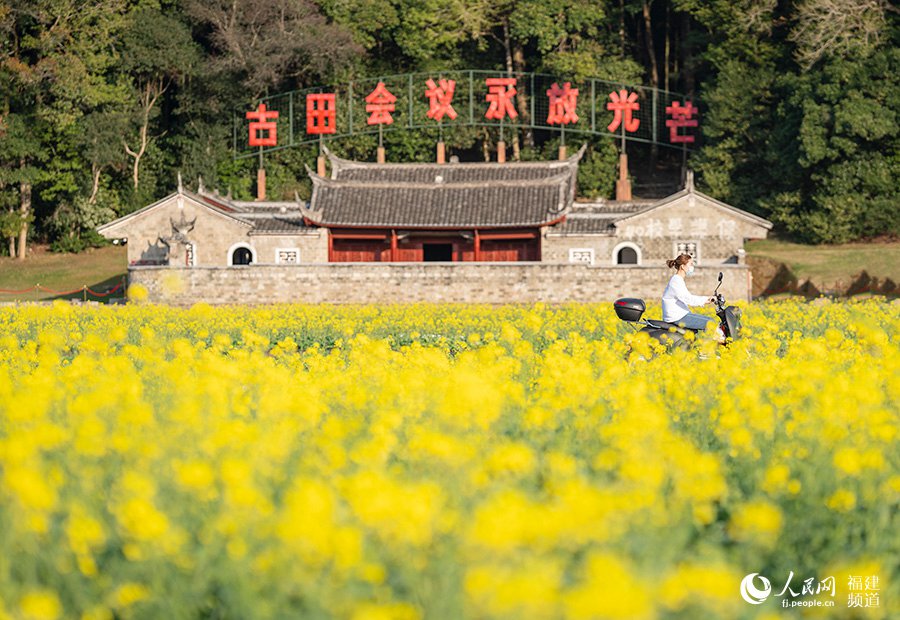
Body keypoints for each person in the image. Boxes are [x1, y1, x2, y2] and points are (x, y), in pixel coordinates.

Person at [662, 254, 716, 331]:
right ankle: (714, 342)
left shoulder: (678, 280)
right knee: (711, 322)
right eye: (690, 264)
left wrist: (706, 300)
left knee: (709, 320)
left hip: (679, 314)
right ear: (683, 266)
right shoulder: (676, 281)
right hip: (676, 317)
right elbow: (687, 298)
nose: (692, 267)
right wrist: (705, 299)